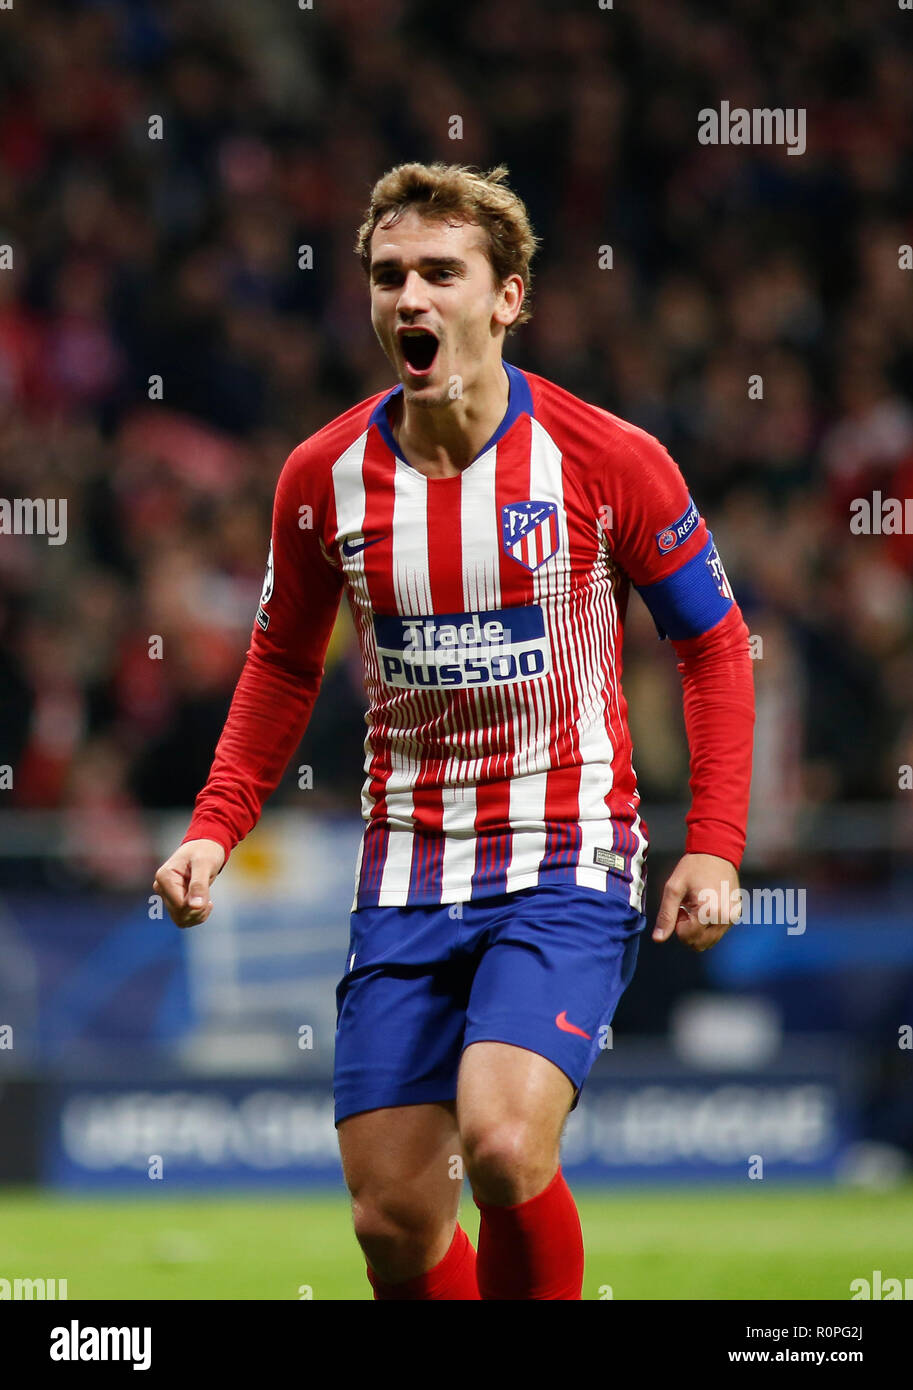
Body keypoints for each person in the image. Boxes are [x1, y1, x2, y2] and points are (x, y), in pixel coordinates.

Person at [153, 162, 755, 1300]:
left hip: (566, 852)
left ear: (507, 298)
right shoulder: (318, 478)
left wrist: (715, 840)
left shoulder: (605, 458)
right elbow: (282, 663)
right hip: (406, 870)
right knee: (391, 1217)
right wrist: (213, 828)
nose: (410, 299)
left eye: (441, 273)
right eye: (389, 277)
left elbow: (715, 643)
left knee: (503, 1141)